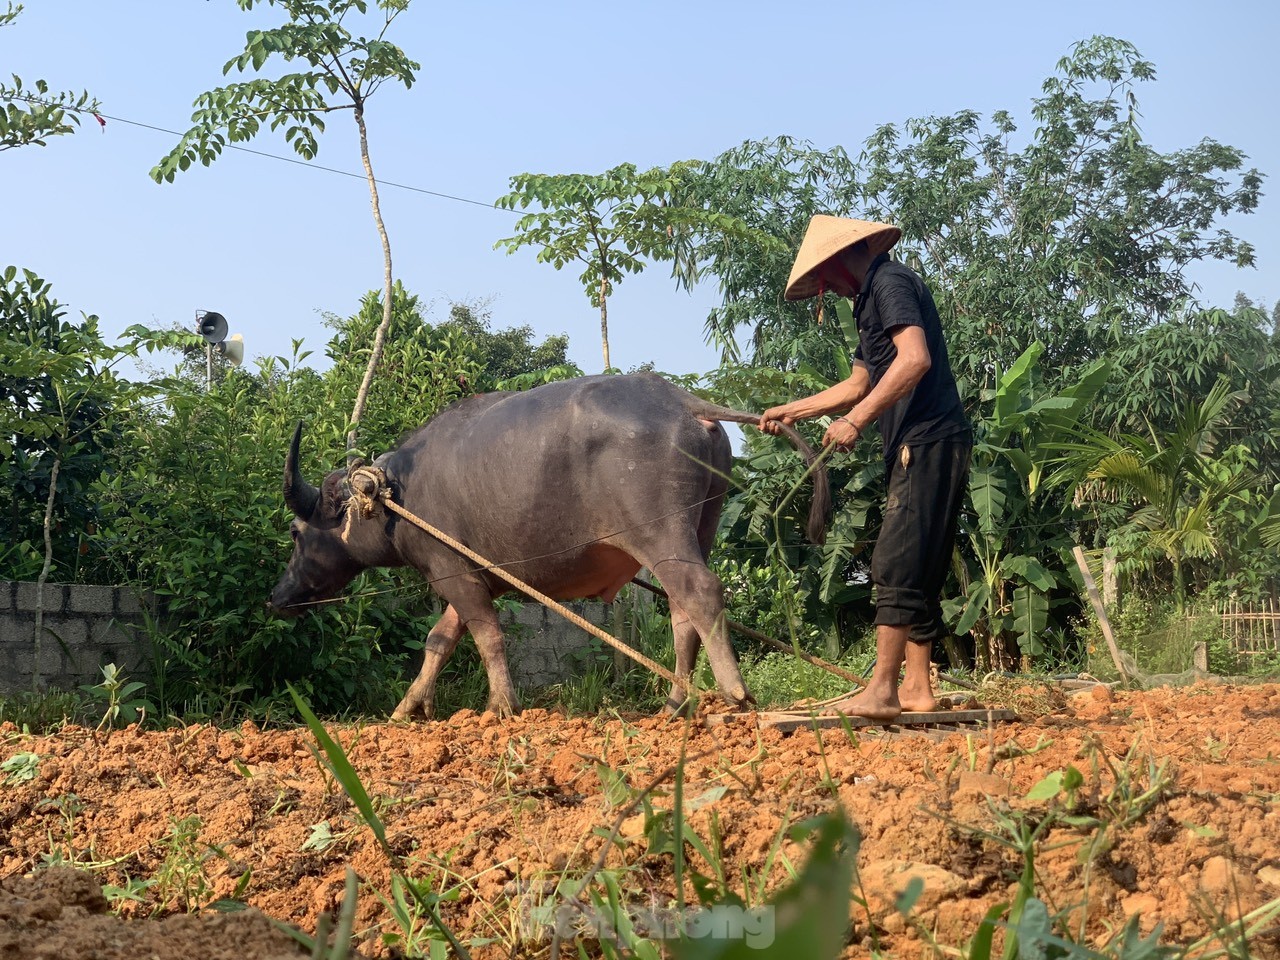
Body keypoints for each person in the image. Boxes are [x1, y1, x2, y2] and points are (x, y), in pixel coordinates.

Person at [759, 216, 971, 721]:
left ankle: (881, 690)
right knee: (920, 565)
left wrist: (855, 423)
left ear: (837, 262)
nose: (826, 290)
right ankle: (917, 688)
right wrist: (797, 410)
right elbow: (858, 383)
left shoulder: (889, 283)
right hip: (934, 438)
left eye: (825, 280)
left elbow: (914, 359)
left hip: (926, 437)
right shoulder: (869, 299)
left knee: (895, 561)